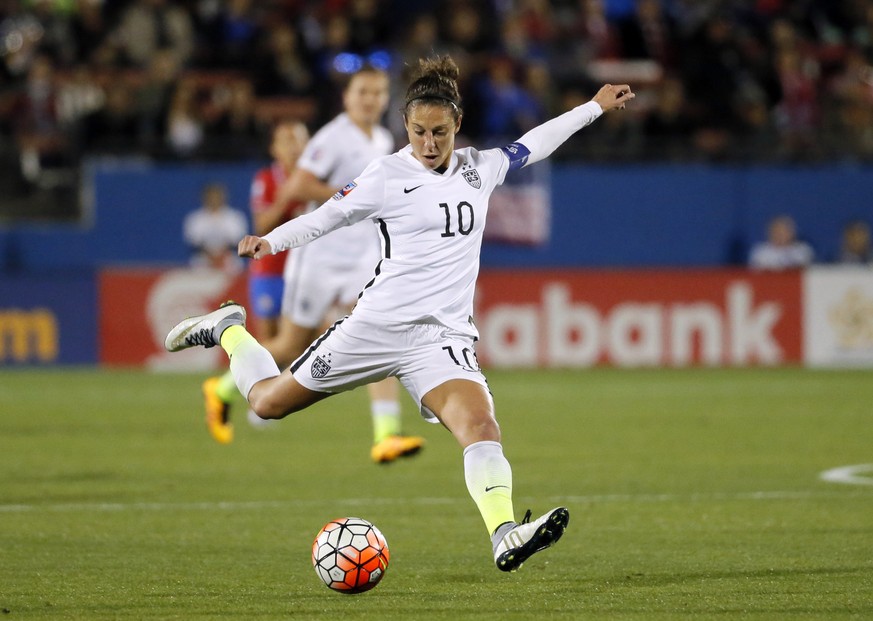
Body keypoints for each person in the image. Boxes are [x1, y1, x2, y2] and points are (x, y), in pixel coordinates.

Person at [166, 56, 634, 572]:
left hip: (441, 340)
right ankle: (228, 330)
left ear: (457, 125)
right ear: (405, 127)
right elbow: (328, 217)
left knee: (480, 425)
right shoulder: (387, 175)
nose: (429, 143)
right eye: (418, 132)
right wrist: (270, 241)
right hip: (375, 328)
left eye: (439, 132)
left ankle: (504, 534)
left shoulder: (482, 167)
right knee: (266, 403)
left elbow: (538, 142)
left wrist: (592, 107)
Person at [204, 68, 423, 464]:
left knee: (382, 330)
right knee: (289, 345)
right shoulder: (333, 137)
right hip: (318, 257)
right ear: (347, 98)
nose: (371, 99)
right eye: (363, 92)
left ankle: (386, 435)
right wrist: (354, 200)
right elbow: (299, 185)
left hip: (361, 256)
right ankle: (222, 388)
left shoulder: (382, 138)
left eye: (377, 92)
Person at [202, 120, 308, 444]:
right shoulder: (267, 179)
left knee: (291, 345)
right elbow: (262, 222)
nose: (292, 146)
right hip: (270, 272)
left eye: (298, 139)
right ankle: (242, 397)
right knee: (269, 343)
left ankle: (246, 398)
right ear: (275, 149)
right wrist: (288, 196)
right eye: (285, 140)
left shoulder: (313, 178)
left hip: (302, 273)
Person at [182, 182, 247, 272]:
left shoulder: (235, 216)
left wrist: (221, 255)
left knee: (236, 264)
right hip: (203, 257)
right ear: (204, 197)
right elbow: (194, 242)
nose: (214, 199)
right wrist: (211, 256)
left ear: (223, 196)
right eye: (211, 196)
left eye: (217, 195)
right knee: (197, 264)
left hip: (228, 256)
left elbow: (237, 241)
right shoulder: (195, 218)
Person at [748, 214, 814, 270]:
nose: (781, 235)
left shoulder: (802, 250)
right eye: (777, 231)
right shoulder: (761, 252)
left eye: (784, 231)